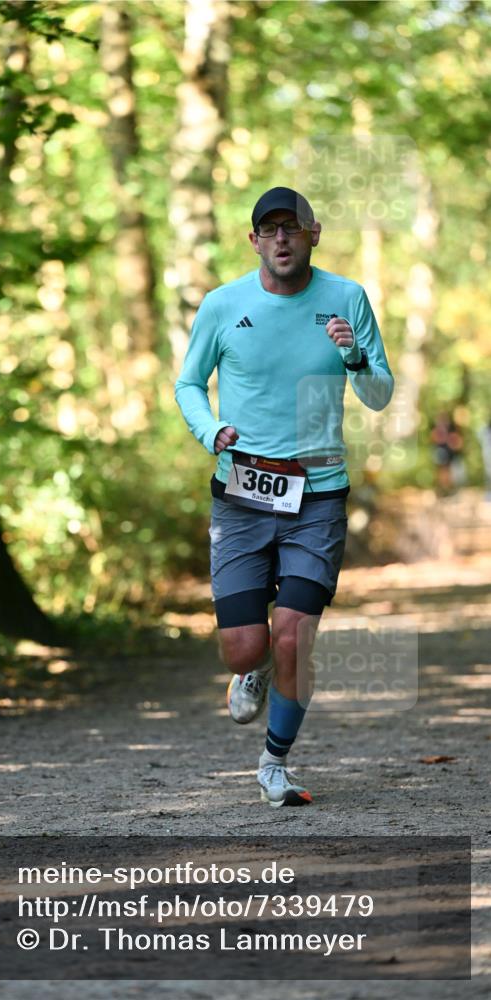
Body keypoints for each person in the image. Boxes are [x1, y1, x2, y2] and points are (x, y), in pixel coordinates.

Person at [175, 186, 394, 808]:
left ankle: (275, 763)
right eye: (269, 229)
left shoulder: (347, 299)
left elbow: (379, 394)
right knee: (245, 647)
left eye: (292, 228)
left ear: (312, 235)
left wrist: (355, 356)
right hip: (241, 493)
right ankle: (255, 666)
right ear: (253, 241)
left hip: (316, 495)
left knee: (295, 636)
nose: (281, 238)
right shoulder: (223, 304)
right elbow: (189, 383)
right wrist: (210, 430)